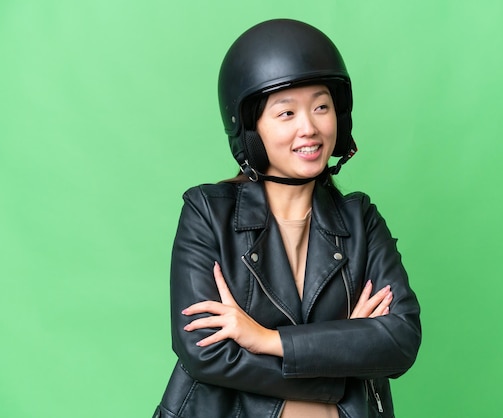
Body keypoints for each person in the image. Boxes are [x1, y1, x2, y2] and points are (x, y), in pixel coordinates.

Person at [153, 18, 421, 418]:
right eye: (286, 113)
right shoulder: (207, 213)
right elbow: (204, 352)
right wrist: (343, 357)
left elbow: (400, 341)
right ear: (250, 131)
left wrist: (265, 339)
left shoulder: (360, 220)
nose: (309, 128)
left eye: (321, 107)